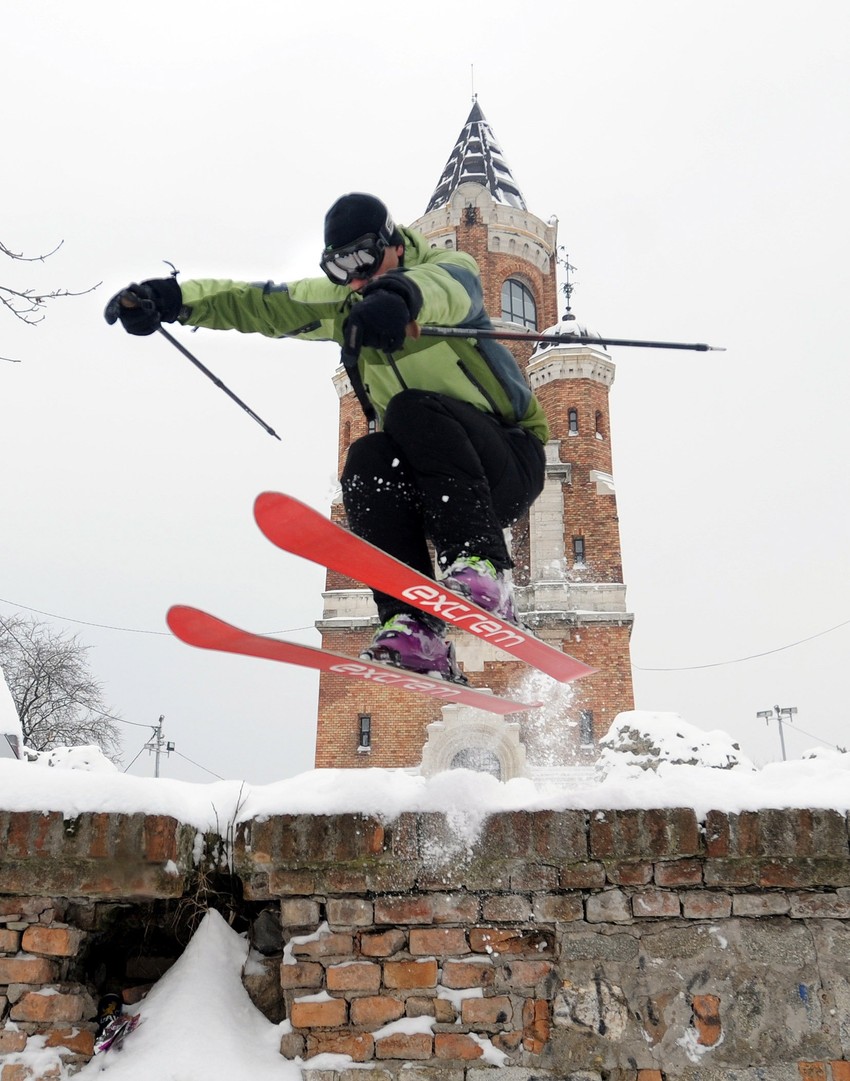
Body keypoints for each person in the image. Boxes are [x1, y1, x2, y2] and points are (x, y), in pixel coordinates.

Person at [105, 193, 549, 682]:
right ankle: (415, 626)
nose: (357, 278)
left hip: (508, 460)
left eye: (365, 259)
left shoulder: (448, 269)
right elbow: (261, 303)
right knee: (365, 457)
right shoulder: (351, 303)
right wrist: (172, 300)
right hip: (436, 484)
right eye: (341, 269)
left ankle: (485, 568)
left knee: (409, 409)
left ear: (395, 244)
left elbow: (449, 286)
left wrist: (399, 299)